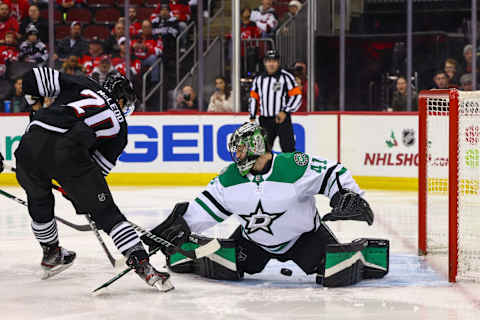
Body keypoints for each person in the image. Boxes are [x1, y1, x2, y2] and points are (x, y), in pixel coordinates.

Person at [141, 122, 388, 287]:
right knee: (226, 269)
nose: (236, 156)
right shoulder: (229, 178)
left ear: (256, 147)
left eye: (240, 150)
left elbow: (334, 172)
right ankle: (190, 254)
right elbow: (202, 211)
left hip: (305, 238)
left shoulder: (293, 165)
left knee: (334, 274)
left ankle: (360, 254)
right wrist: (176, 229)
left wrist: (344, 195)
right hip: (252, 241)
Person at [10, 68, 173, 291]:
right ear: (122, 98)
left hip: (29, 143)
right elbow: (97, 171)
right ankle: (143, 265)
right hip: (68, 153)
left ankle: (51, 253)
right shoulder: (121, 129)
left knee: (38, 201)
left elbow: (31, 78)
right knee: (107, 214)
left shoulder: (82, 81)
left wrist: (36, 108)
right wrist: (78, 193)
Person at [249, 50, 302, 152]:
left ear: (278, 62)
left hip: (282, 119)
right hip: (265, 120)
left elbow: (296, 96)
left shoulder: (286, 77)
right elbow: (253, 98)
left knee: (288, 149)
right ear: (264, 62)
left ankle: (290, 168)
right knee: (262, 151)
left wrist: (285, 111)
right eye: (269, 61)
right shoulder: (258, 78)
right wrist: (252, 116)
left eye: (274, 61)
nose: (271, 64)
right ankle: (267, 169)